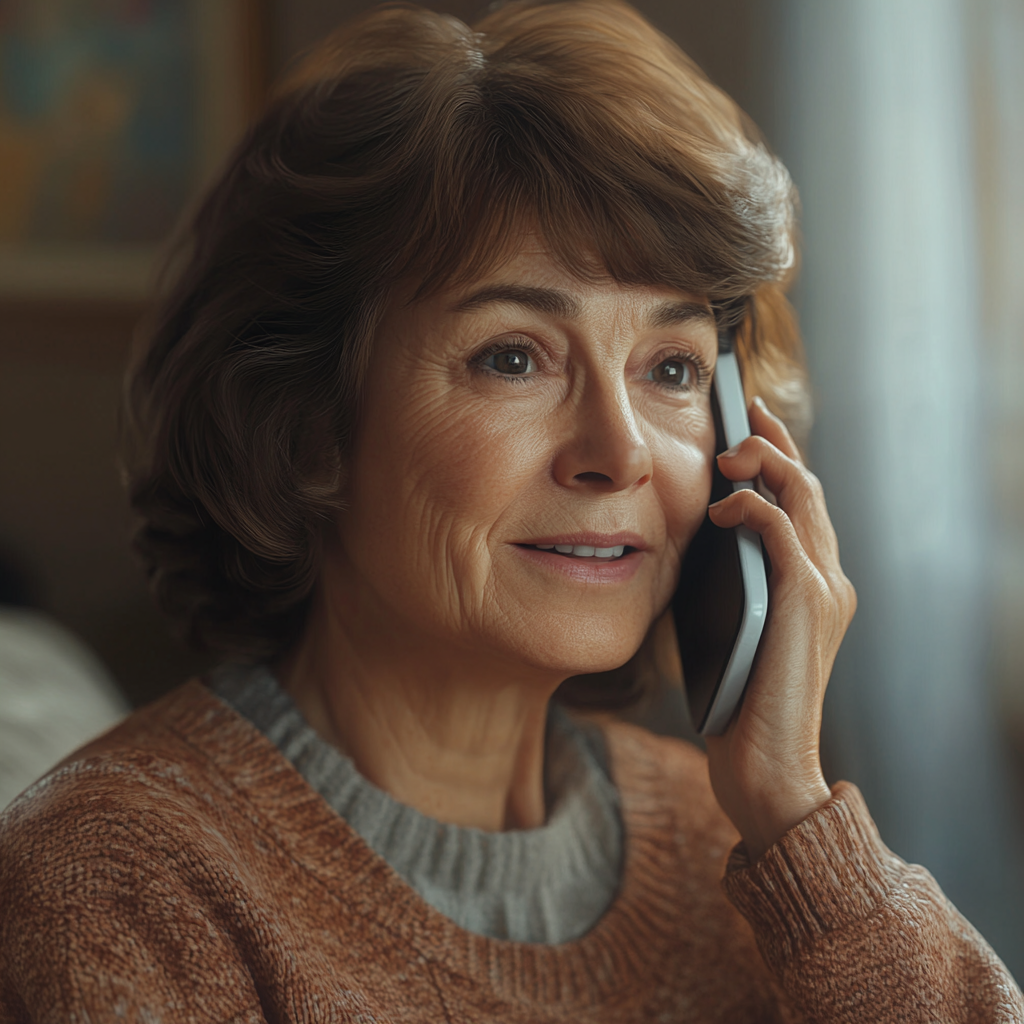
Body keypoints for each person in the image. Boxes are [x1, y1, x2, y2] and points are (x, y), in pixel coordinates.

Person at [0, 2, 1020, 1020]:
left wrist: (798, 824)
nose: (619, 450)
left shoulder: (742, 847)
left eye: (670, 367)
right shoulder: (119, 884)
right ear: (306, 420)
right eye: (514, 357)